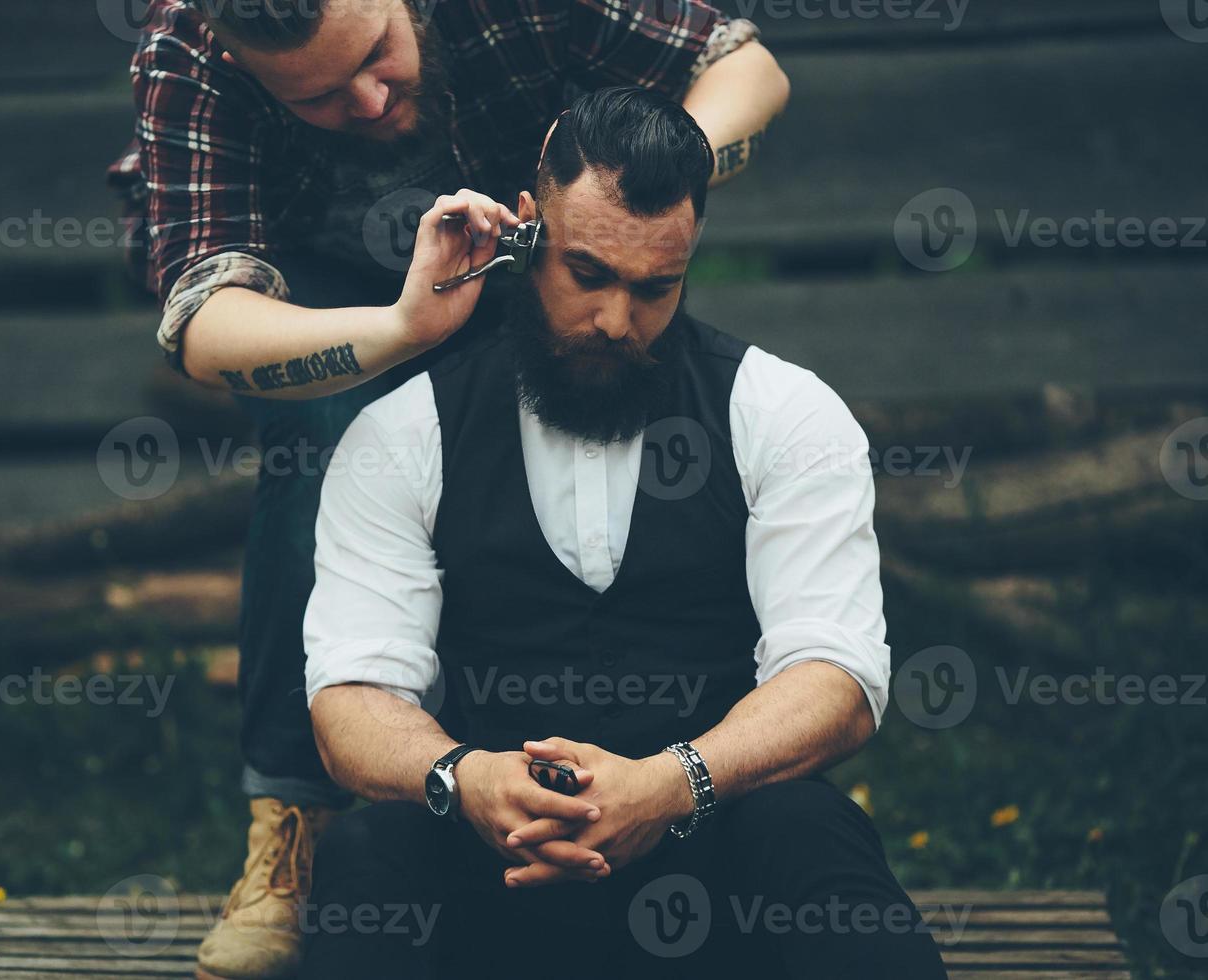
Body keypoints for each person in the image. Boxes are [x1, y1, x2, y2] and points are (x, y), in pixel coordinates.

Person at [108, 2, 791, 977]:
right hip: (312, 291)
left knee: (612, 378)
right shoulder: (189, 54)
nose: (373, 99)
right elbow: (207, 327)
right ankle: (296, 820)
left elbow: (751, 70)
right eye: (319, 95)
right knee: (322, 438)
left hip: (527, 236)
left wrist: (615, 191)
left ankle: (701, 762)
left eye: (378, 55)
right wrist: (395, 332)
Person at [298, 86, 948, 979]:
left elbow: (835, 676)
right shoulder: (404, 434)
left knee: (810, 832)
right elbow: (350, 700)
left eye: (655, 288)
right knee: (370, 854)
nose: (615, 321)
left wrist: (671, 784)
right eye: (589, 275)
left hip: (709, 869)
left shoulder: (784, 412)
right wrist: (466, 777)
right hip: (498, 876)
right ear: (527, 229)